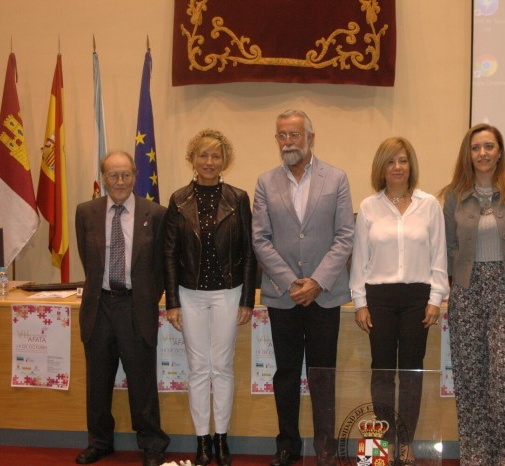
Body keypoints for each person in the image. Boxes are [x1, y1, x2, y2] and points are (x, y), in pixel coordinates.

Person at [252, 109, 354, 466]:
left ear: (311, 138)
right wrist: (291, 281)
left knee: (322, 374)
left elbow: (344, 236)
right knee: (286, 373)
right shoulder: (265, 182)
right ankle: (287, 445)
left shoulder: (337, 178)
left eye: (294, 135)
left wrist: (316, 282)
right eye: (282, 135)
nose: (288, 142)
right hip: (284, 297)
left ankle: (325, 446)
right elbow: (260, 239)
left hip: (324, 295)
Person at [440, 124, 505, 466]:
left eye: (489, 146)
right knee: (469, 375)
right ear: (468, 154)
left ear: (499, 151)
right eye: (476, 147)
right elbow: (449, 246)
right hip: (467, 290)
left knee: (504, 373)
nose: (482, 153)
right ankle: (475, 452)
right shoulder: (454, 193)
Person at [350, 137, 449, 465]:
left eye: (403, 160)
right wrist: (360, 302)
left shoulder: (430, 204)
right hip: (379, 297)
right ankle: (385, 443)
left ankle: (406, 443)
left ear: (411, 166)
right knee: (381, 372)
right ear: (382, 167)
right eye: (391, 161)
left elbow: (439, 257)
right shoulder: (368, 207)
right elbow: (359, 260)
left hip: (417, 299)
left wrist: (435, 298)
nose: (397, 167)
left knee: (410, 373)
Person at [163, 129, 257, 466]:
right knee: (199, 369)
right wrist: (172, 301)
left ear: (225, 161)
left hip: (229, 295)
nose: (209, 162)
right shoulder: (177, 200)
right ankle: (202, 440)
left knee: (223, 368)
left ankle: (222, 439)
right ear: (193, 159)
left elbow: (249, 253)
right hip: (189, 294)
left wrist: (247, 299)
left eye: (216, 156)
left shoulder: (239, 198)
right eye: (203, 155)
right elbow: (169, 255)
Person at [74, 151, 169, 466]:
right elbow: (90, 262)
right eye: (113, 175)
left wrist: (143, 297)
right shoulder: (86, 212)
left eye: (125, 174)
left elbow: (160, 266)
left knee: (142, 381)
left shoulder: (155, 213)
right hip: (99, 306)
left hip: (135, 307)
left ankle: (152, 445)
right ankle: (100, 442)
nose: (119, 181)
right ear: (103, 178)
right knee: (98, 382)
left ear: (135, 175)